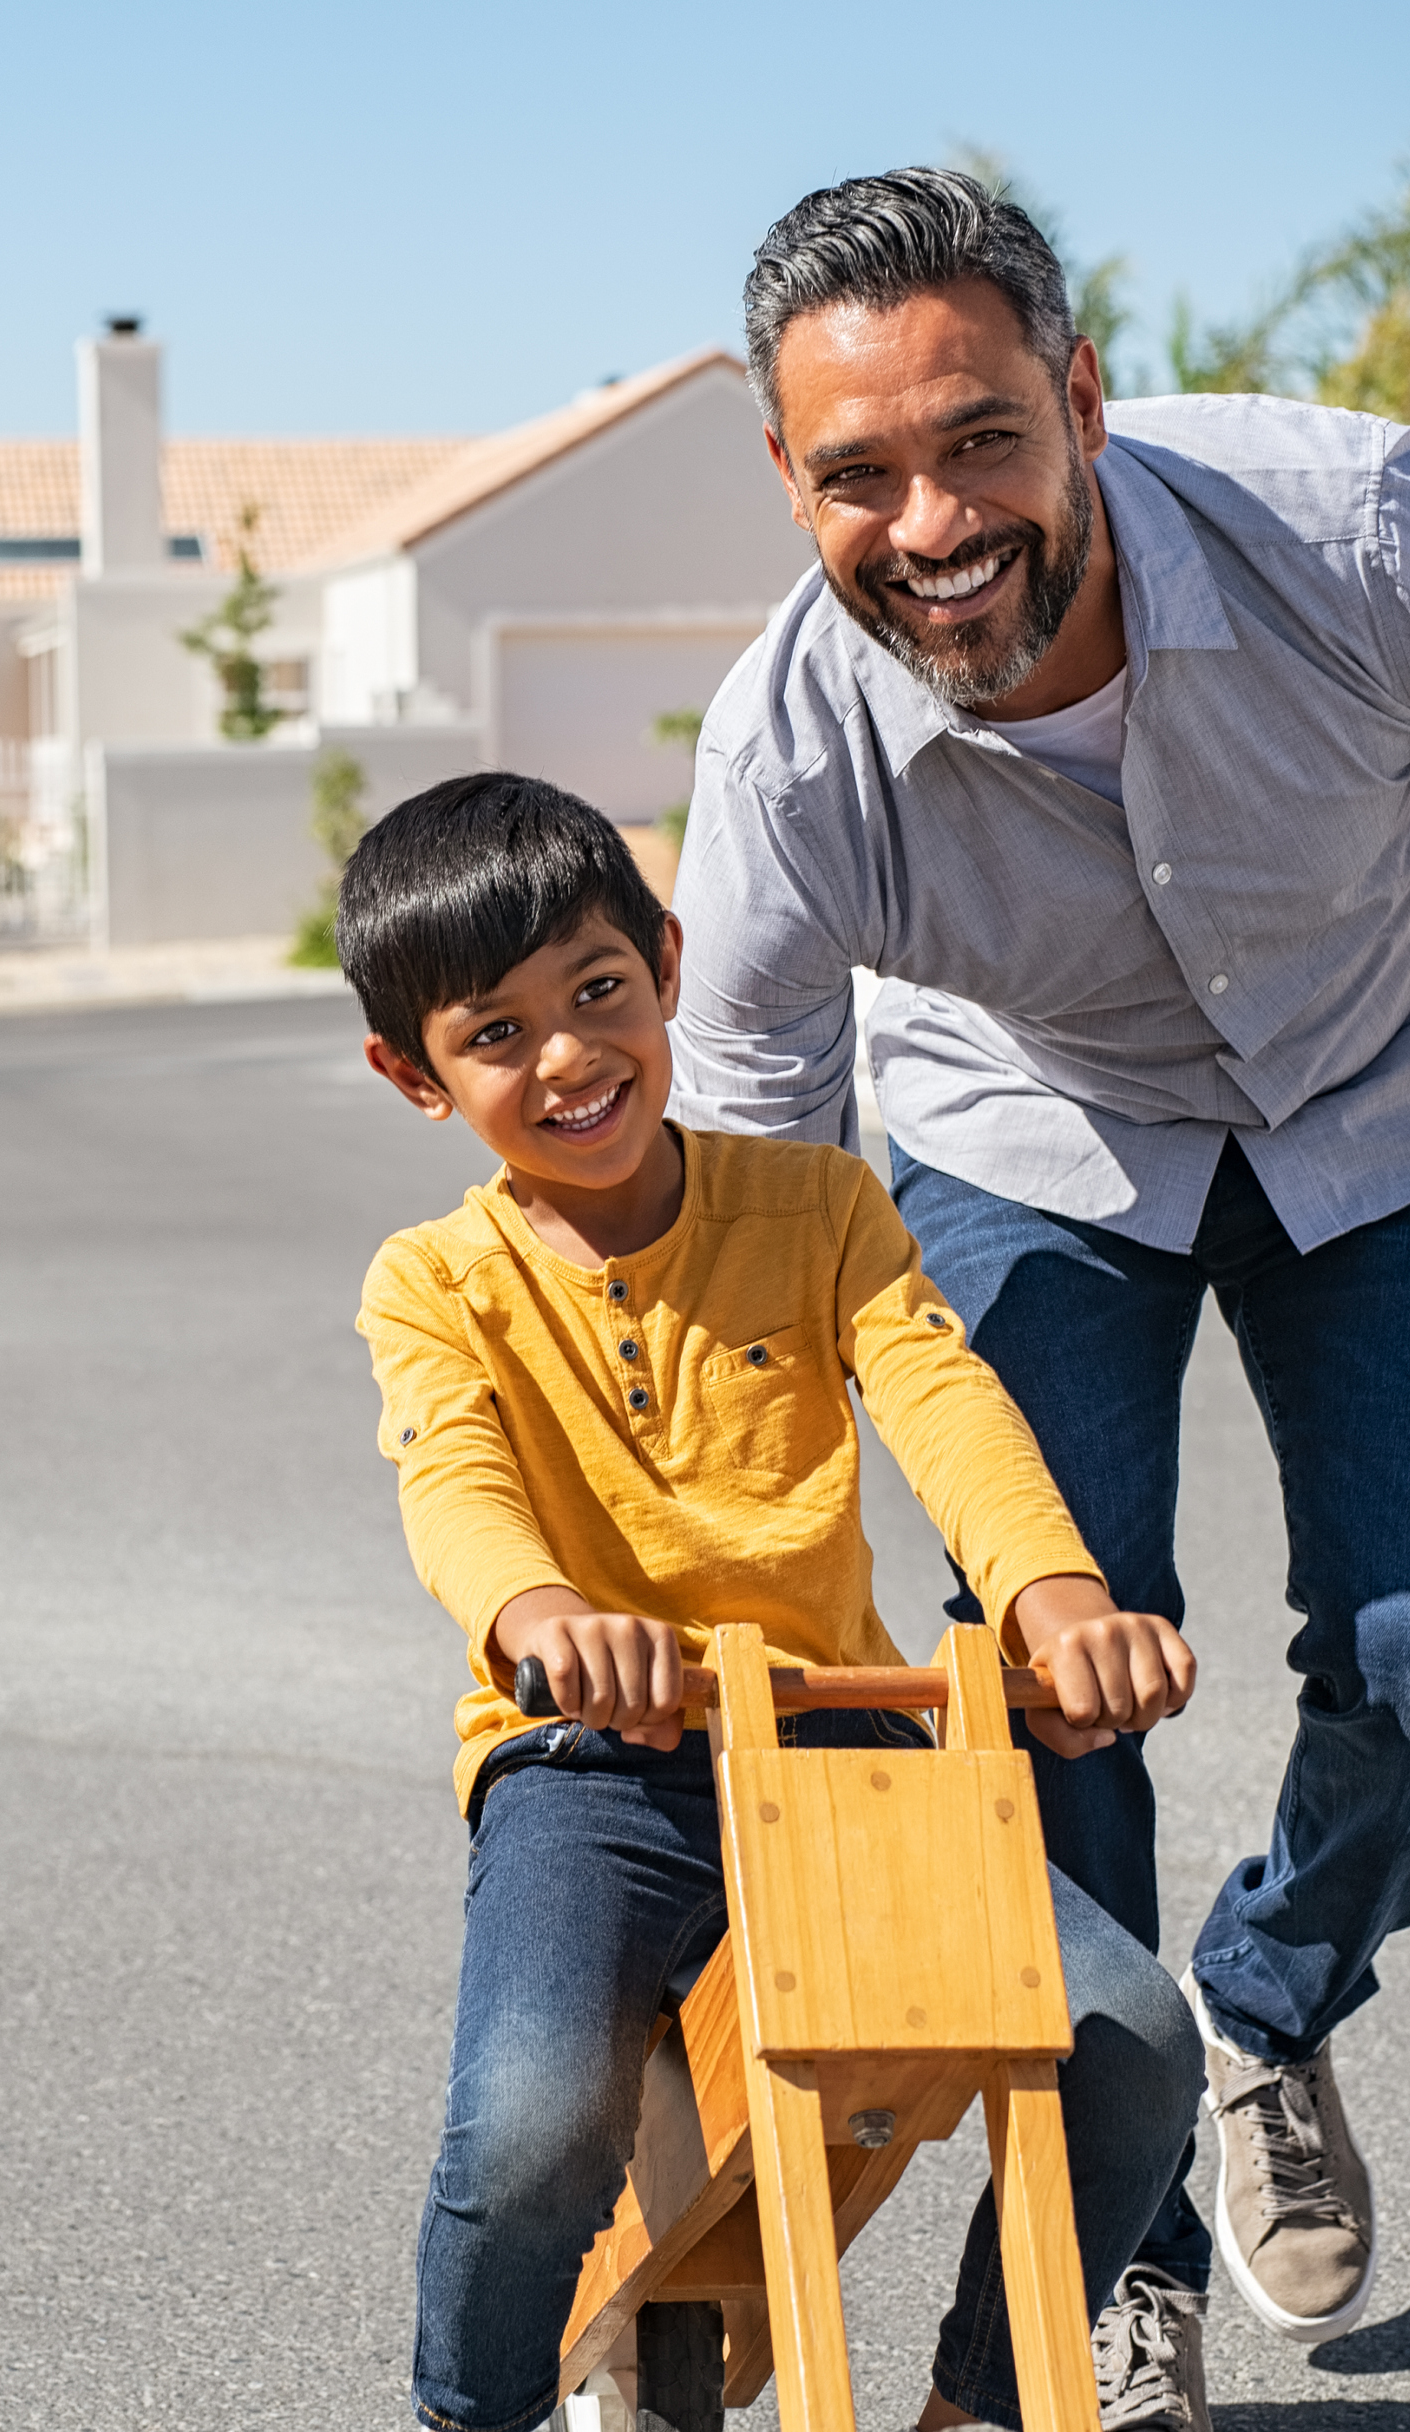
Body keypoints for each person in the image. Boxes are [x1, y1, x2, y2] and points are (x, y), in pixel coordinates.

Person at [670, 167, 1410, 2400]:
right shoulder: (790, 755)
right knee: (1049, 1696)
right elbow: (754, 1185)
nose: (932, 522)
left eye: (982, 435)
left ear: (1082, 398)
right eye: (858, 474)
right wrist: (753, 1583)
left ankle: (1266, 2000)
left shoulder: (1369, 536)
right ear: (788, 482)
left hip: (1383, 1101)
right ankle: (1125, 2228)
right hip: (1029, 1140)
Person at [344, 771, 1216, 2432]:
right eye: (498, 1035)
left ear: (666, 966)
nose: (570, 1058)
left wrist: (1058, 1596)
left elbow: (943, 1401)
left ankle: (989, 2400)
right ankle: (472, 2412)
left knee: (1128, 2040)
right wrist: (540, 1619)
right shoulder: (436, 1281)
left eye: (599, 993)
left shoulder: (819, 1206)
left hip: (836, 1739)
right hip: (592, 1765)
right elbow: (451, 1483)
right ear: (416, 1076)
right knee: (529, 2121)